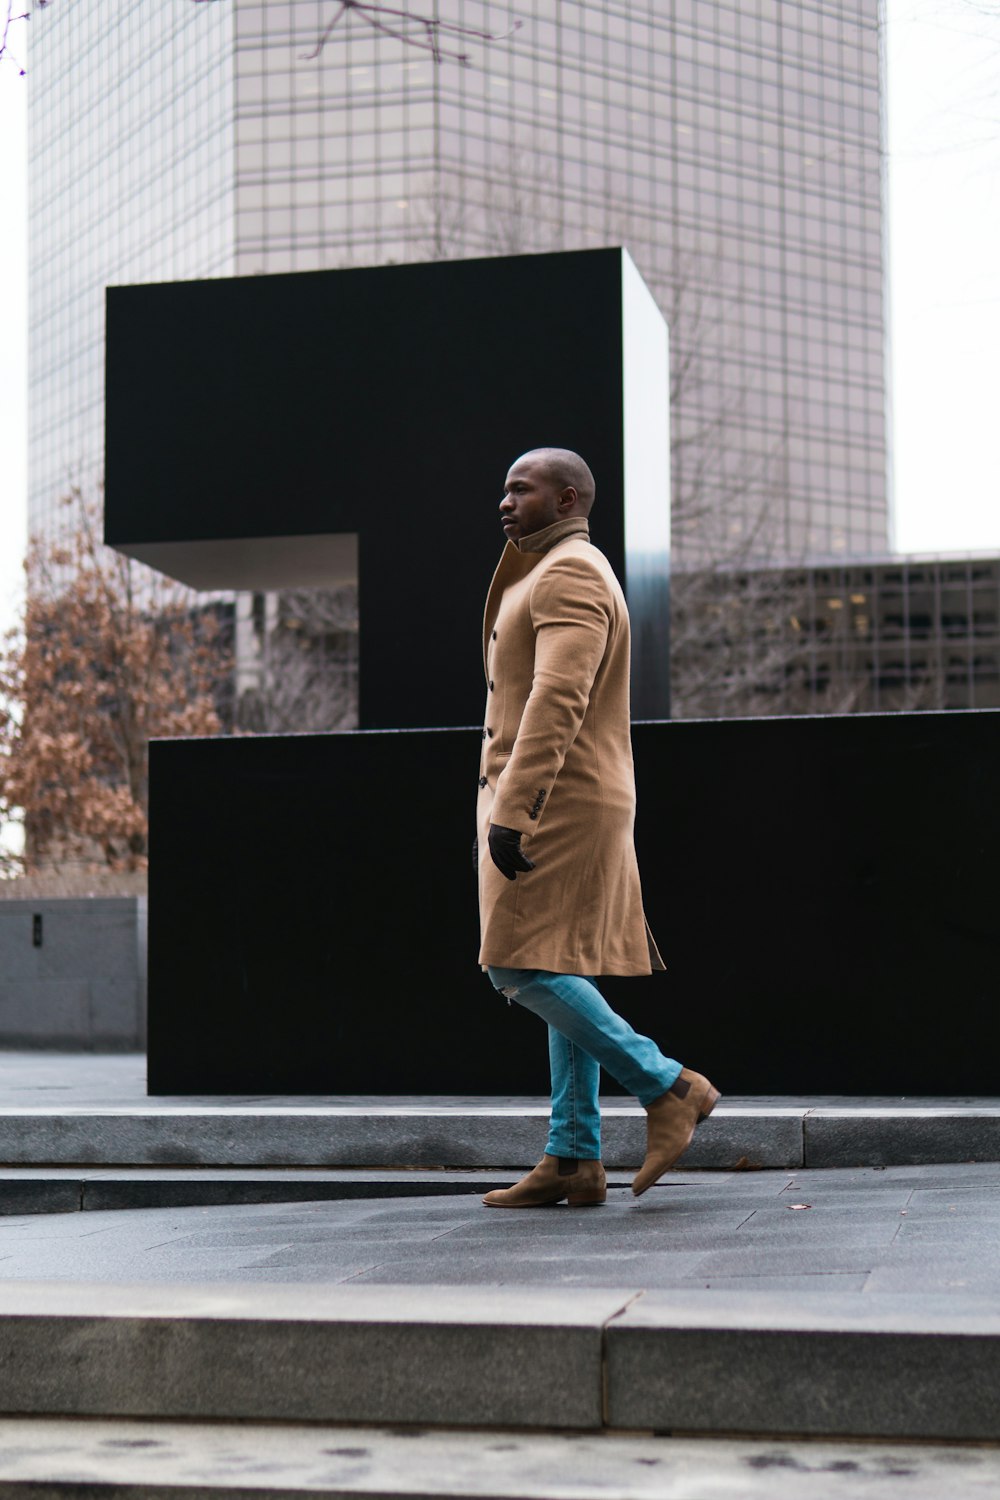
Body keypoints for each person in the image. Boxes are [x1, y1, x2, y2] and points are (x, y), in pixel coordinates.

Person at [475, 447, 718, 1208]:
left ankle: (667, 1086)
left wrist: (516, 807)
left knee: (514, 963)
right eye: (505, 490)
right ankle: (574, 1156)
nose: (506, 502)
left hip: (559, 798)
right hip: (559, 791)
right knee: (551, 955)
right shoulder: (545, 569)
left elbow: (558, 696)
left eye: (523, 489)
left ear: (570, 497)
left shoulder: (571, 571)